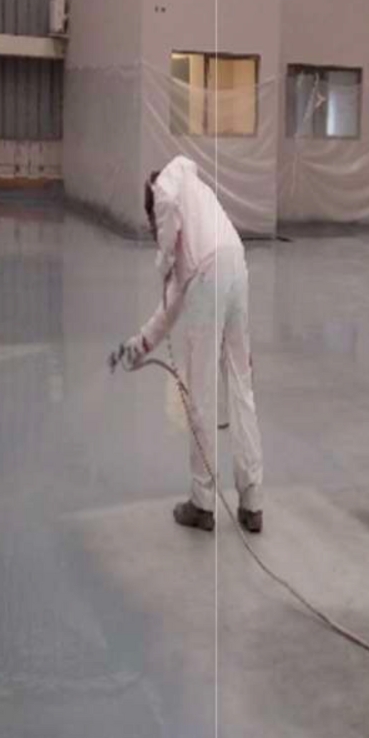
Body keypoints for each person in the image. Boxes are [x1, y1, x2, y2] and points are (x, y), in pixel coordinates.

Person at [111, 156, 264, 534]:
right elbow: (171, 306)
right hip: (236, 264)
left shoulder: (165, 186)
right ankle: (253, 502)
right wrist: (138, 346)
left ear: (155, 213)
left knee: (202, 396)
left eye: (153, 224)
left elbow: (173, 261)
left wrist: (162, 261)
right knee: (241, 386)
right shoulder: (196, 206)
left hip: (209, 279)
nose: (154, 230)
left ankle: (202, 503)